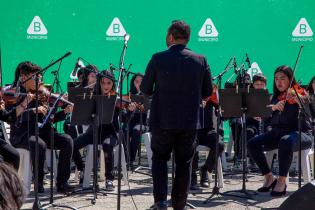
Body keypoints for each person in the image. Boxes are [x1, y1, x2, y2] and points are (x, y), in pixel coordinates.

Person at [141, 20, 212, 210]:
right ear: (187, 38)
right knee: (184, 163)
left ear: (171, 36)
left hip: (162, 120)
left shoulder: (157, 58)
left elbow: (146, 89)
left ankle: (161, 202)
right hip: (189, 122)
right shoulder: (201, 59)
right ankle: (179, 204)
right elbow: (207, 92)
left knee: (160, 159)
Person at [9, 61, 74, 193]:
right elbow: (12, 117)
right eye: (35, 77)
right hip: (22, 134)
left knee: (67, 140)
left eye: (39, 77)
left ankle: (62, 182)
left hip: (41, 131)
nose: (39, 80)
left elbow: (50, 119)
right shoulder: (13, 93)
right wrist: (33, 111)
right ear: (23, 77)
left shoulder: (40, 93)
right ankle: (38, 182)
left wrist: (64, 112)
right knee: (39, 144)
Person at [247, 66, 313, 196]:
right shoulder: (276, 98)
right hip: (278, 133)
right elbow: (264, 116)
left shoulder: (300, 94)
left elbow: (309, 111)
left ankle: (282, 181)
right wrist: (274, 108)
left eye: (283, 78)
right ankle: (269, 177)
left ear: (290, 79)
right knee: (252, 143)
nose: (279, 82)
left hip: (301, 134)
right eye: (276, 79)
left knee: (285, 141)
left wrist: (300, 101)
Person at [73, 70, 119, 191]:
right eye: (103, 83)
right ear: (99, 83)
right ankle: (82, 169)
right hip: (93, 131)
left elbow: (125, 118)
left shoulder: (116, 98)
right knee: (71, 144)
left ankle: (109, 179)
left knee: (107, 145)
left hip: (111, 132)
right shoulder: (92, 96)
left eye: (109, 83)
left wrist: (130, 110)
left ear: (112, 84)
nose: (105, 86)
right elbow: (84, 116)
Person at [190, 91, 225, 189]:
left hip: (208, 131)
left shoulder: (210, 94)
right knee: (191, 144)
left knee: (220, 144)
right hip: (192, 130)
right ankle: (192, 176)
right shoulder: (190, 91)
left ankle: (205, 169)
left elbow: (222, 110)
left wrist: (220, 109)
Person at [125, 73, 147, 168]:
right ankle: (125, 157)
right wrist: (129, 108)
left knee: (136, 131)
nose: (139, 84)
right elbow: (125, 113)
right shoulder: (130, 95)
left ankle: (131, 159)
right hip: (132, 121)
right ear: (133, 83)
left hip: (144, 122)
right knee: (124, 130)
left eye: (141, 82)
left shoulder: (149, 94)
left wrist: (144, 107)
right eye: (136, 82)